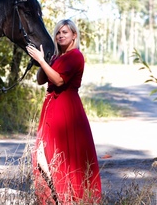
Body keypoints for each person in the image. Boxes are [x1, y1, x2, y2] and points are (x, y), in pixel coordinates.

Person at [26, 19, 101, 204]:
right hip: (52, 108)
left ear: (74, 35)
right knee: (42, 155)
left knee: (61, 154)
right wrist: (43, 61)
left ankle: (67, 197)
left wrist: (43, 61)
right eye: (58, 32)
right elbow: (41, 80)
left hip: (67, 108)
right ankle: (55, 196)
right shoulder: (57, 57)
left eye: (65, 32)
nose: (60, 35)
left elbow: (59, 81)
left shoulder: (75, 56)